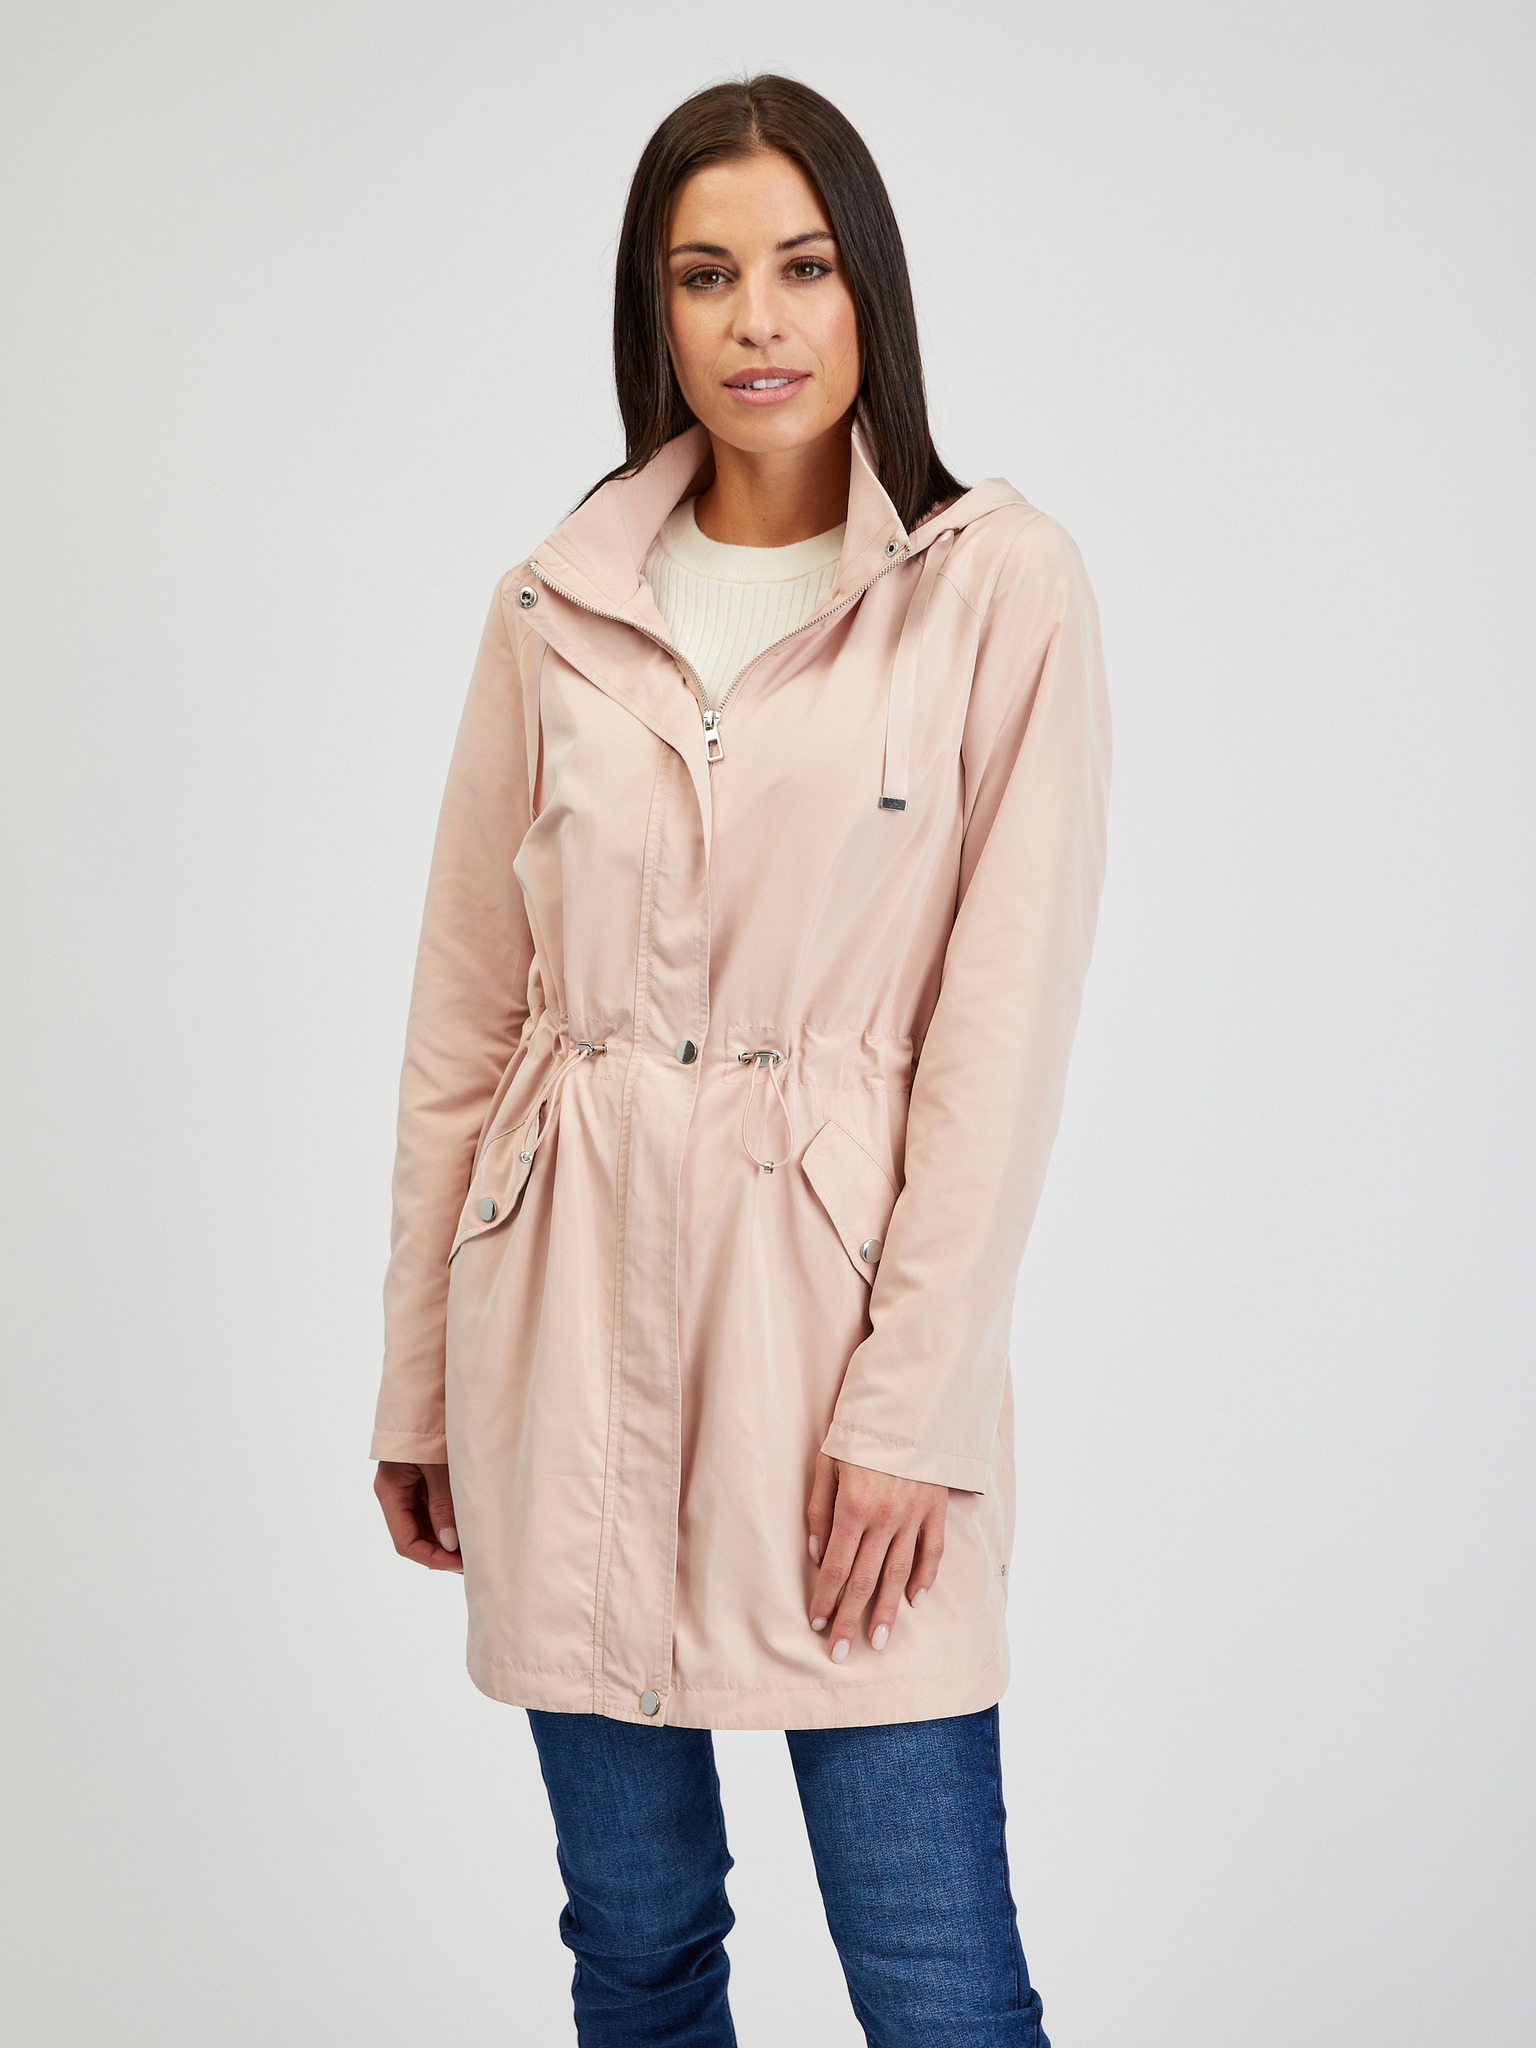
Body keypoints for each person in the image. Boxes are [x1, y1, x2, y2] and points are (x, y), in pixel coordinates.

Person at [370, 72, 1110, 2048]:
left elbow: (1002, 1033)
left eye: (802, 265)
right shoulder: (552, 606)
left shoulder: (993, 585)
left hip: (839, 1353)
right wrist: (418, 1380)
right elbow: (466, 1021)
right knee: (636, 1950)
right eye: (705, 275)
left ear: (872, 290)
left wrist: (915, 1407)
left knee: (938, 1982)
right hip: (562, 1344)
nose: (756, 319)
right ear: (655, 307)